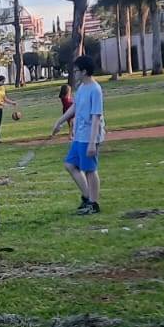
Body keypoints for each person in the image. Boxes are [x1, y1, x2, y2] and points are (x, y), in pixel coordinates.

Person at [52, 55, 105, 215]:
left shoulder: (95, 89)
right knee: (70, 165)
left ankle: (94, 204)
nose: (74, 73)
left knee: (90, 170)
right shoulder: (81, 88)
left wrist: (91, 143)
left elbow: (96, 117)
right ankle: (87, 197)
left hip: (89, 135)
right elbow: (74, 107)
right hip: (79, 135)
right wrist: (59, 121)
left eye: (76, 71)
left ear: (84, 71)